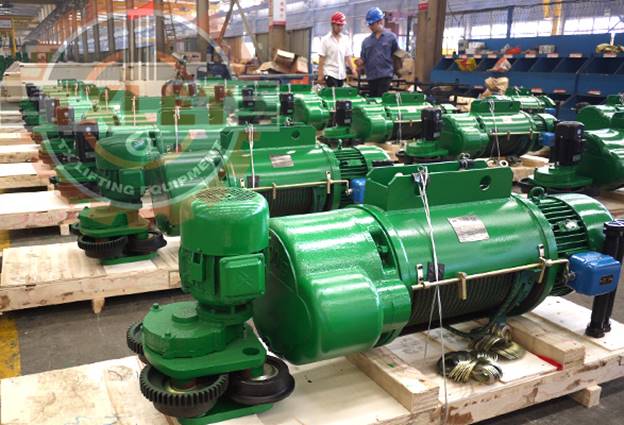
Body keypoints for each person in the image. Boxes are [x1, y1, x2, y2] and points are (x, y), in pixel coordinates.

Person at [356, 7, 398, 97]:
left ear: (380, 22)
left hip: (385, 75)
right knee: (373, 99)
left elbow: (396, 54)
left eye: (372, 24)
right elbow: (363, 58)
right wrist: (360, 62)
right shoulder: (366, 42)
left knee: (381, 98)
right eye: (369, 24)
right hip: (371, 77)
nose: (370, 27)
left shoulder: (391, 38)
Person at [317, 12, 357, 87]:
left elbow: (348, 57)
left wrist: (353, 70)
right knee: (333, 92)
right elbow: (321, 59)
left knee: (340, 93)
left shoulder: (345, 39)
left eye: (342, 25)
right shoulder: (325, 40)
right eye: (338, 25)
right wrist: (320, 75)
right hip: (330, 73)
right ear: (332, 24)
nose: (340, 27)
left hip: (341, 75)